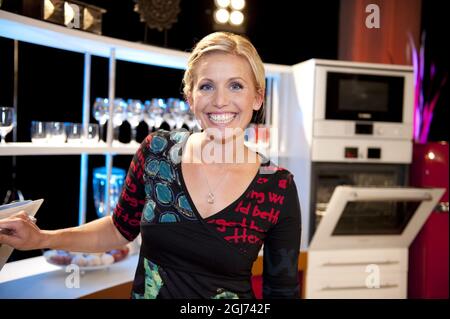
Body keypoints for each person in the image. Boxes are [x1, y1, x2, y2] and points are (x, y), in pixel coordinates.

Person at [0, 32, 302, 299]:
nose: (220, 101)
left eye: (236, 86)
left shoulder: (277, 186)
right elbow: (119, 229)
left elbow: (282, 291)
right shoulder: (157, 151)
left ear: (258, 98)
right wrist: (43, 238)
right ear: (190, 97)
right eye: (207, 86)